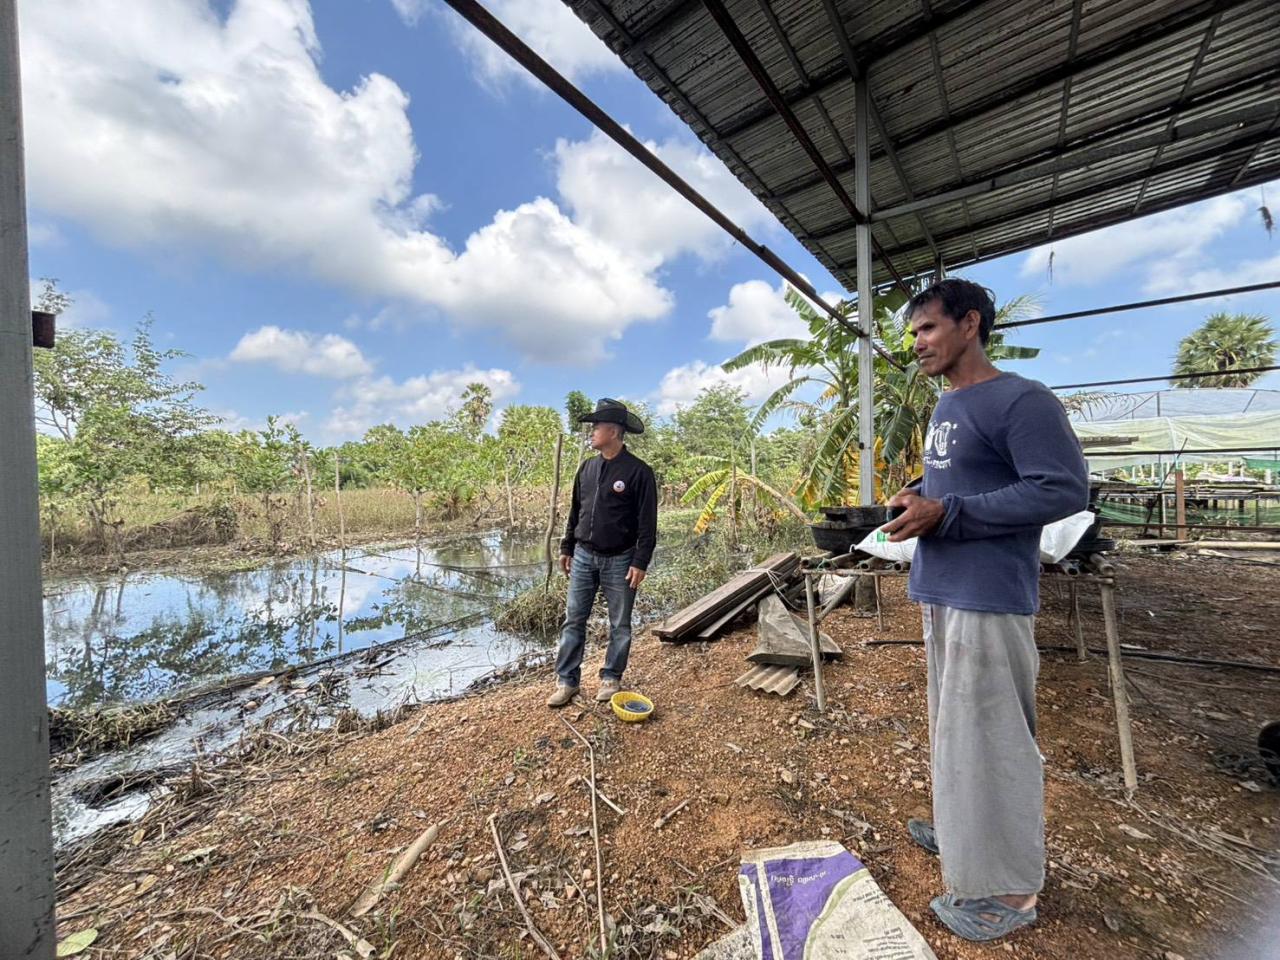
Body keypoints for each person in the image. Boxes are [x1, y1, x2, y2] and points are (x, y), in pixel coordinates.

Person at [882, 278, 1088, 942]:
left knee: (996, 736)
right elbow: (956, 481)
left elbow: (1061, 488)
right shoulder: (950, 404)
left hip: (989, 594)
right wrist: (920, 494)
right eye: (914, 333)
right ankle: (964, 829)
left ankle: (1011, 890)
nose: (917, 344)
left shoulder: (1021, 400)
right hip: (943, 587)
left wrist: (951, 512)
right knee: (955, 725)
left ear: (969, 324)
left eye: (927, 330)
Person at [547, 398, 658, 708]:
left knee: (619, 623)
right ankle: (567, 681)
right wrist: (567, 546)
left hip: (621, 559)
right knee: (574, 620)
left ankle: (611, 677)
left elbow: (648, 523)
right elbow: (575, 511)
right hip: (583, 555)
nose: (591, 433)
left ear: (613, 431)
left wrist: (640, 560)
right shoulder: (587, 468)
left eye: (596, 428)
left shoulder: (639, 472)